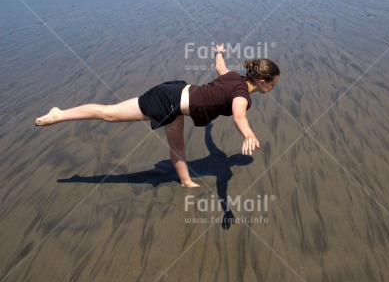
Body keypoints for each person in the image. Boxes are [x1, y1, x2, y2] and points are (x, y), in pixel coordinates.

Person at [35, 44, 280, 188]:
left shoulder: (234, 77)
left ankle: (186, 183)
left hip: (176, 97)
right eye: (273, 84)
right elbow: (239, 116)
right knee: (109, 114)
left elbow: (220, 67)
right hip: (167, 101)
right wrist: (248, 134)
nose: (273, 88)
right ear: (262, 82)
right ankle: (60, 114)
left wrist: (218, 51)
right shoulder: (242, 96)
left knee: (178, 145)